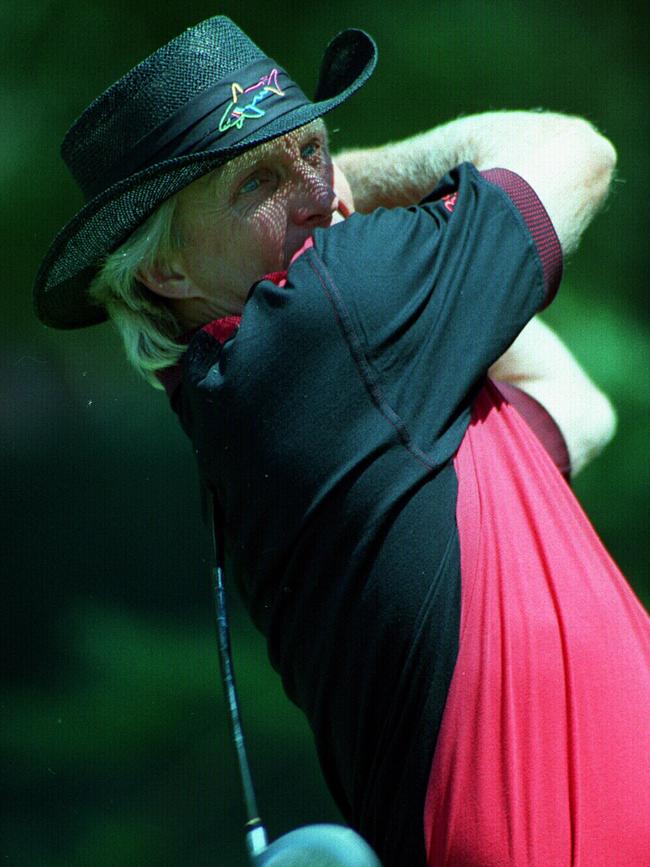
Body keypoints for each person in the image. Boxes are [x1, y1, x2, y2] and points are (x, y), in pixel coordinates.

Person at [34, 16, 650, 867]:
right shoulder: (325, 322)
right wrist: (364, 182)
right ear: (163, 271)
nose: (317, 194)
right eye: (259, 180)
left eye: (316, 151)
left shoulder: (300, 385)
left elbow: (576, 404)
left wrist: (391, 246)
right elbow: (574, 149)